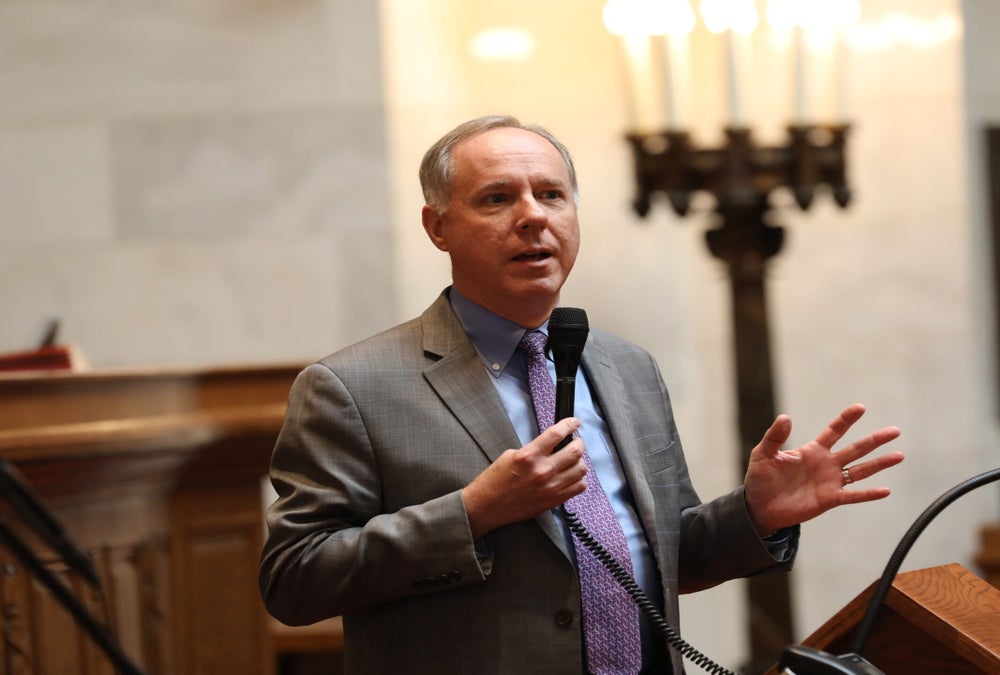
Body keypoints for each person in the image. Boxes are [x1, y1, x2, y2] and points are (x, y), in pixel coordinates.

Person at [258, 115, 904, 674]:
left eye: (551, 194)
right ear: (438, 226)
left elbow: (661, 553)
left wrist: (757, 514)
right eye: (496, 198)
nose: (533, 216)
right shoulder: (352, 387)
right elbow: (293, 579)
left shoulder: (626, 367)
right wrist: (473, 513)